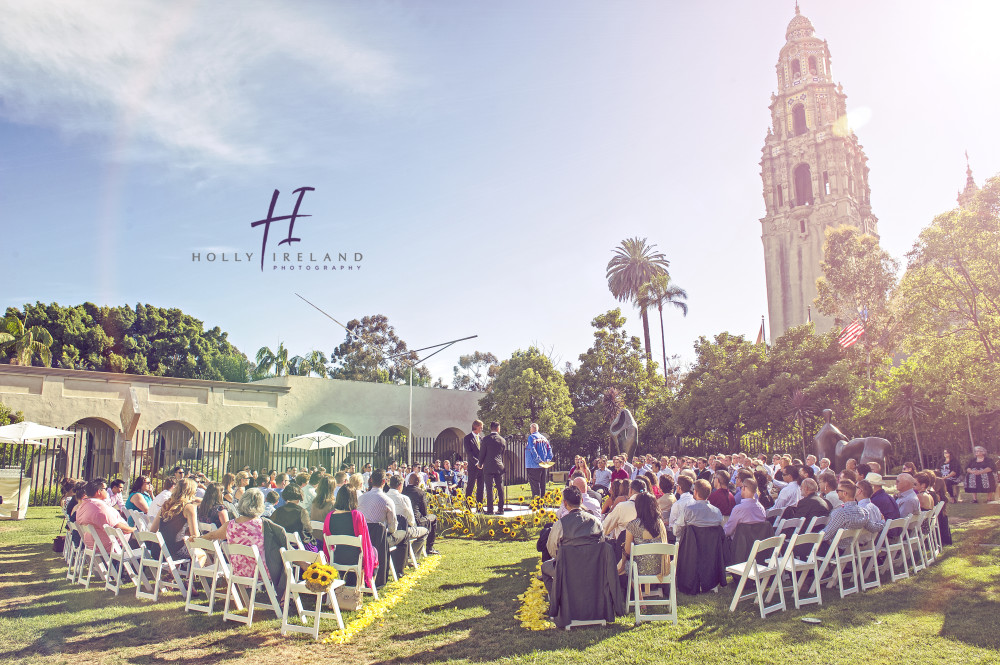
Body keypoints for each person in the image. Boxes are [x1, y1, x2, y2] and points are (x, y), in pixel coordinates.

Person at [540, 486, 603, 592]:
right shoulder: (595, 521)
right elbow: (602, 543)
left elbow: (551, 549)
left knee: (544, 568)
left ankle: (557, 601)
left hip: (567, 568)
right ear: (581, 500)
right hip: (591, 567)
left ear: (565, 503)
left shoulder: (560, 524)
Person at [200, 488, 270, 580]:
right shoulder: (264, 525)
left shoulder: (230, 525)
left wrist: (197, 538)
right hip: (261, 572)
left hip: (238, 572)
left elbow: (211, 536)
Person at [322, 482, 378, 589]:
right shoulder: (357, 515)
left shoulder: (330, 516)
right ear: (353, 499)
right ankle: (365, 583)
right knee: (374, 551)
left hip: (337, 557)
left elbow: (326, 543)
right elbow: (365, 542)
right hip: (356, 558)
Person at [617, 491, 670, 599]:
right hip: (660, 568)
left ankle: (639, 598)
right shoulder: (660, 524)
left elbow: (627, 551)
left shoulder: (633, 525)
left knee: (627, 564)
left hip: (639, 570)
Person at [76, 478, 136, 554]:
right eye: (105, 489)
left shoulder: (83, 505)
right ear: (98, 491)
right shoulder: (99, 507)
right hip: (110, 545)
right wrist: (132, 529)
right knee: (139, 542)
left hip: (93, 544)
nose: (107, 491)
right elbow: (117, 526)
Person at [821, 480, 884, 548]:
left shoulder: (841, 513)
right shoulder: (863, 512)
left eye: (838, 491)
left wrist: (810, 536)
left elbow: (825, 535)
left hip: (835, 550)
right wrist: (883, 522)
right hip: (849, 550)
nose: (836, 493)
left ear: (844, 493)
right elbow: (873, 528)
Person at [358, 469, 408, 551]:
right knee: (403, 534)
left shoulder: (361, 498)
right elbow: (393, 528)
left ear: (371, 480)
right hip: (380, 540)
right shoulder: (387, 501)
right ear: (384, 481)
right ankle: (400, 563)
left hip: (363, 538)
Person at [151, 478, 200, 560]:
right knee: (201, 554)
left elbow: (152, 530)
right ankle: (188, 573)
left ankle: (173, 572)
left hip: (157, 551)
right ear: (191, 492)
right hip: (174, 552)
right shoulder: (189, 508)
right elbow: (195, 535)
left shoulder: (166, 505)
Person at [386, 476, 429, 555]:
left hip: (388, 530)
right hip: (403, 530)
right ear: (400, 485)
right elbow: (411, 521)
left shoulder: (384, 497)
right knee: (425, 531)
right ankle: (410, 555)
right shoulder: (404, 498)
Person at [403, 472, 439, 555]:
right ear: (418, 482)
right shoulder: (420, 493)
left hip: (404, 522)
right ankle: (429, 548)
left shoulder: (403, 491)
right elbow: (424, 512)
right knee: (433, 518)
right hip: (417, 521)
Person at [269, 483, 313, 548]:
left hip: (281, 547)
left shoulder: (277, 511)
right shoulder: (302, 512)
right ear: (299, 496)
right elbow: (308, 530)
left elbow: (271, 528)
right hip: (299, 547)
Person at [481, 421, 506, 515]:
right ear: (498, 428)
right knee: (500, 488)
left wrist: (480, 463)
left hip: (488, 466)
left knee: (489, 488)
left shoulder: (486, 439)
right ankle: (501, 509)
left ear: (491, 428)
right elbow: (502, 454)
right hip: (499, 466)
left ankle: (490, 510)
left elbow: (482, 453)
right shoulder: (502, 440)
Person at [525, 423, 553, 499]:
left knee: (535, 485)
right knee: (542, 484)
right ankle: (542, 502)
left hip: (533, 465)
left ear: (531, 429)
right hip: (544, 465)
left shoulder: (531, 437)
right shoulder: (544, 438)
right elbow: (549, 449)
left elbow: (533, 450)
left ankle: (536, 502)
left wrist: (538, 460)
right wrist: (547, 459)